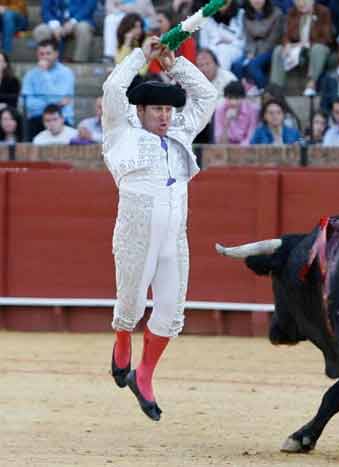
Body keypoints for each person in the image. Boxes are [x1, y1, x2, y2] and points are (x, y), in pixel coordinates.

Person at [103, 36, 218, 421]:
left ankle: (145, 374)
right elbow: (112, 87)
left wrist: (174, 64)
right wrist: (140, 56)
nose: (166, 116)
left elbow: (208, 97)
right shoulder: (122, 129)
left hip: (174, 235)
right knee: (131, 305)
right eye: (157, 110)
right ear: (141, 110)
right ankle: (122, 346)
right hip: (136, 232)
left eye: (169, 110)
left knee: (171, 313)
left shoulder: (181, 132)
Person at [269, 0, 333, 96]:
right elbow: (286, 35)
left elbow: (326, 37)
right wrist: (287, 44)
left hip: (317, 46)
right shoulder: (292, 12)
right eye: (297, 1)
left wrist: (306, 43)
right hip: (298, 48)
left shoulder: (323, 11)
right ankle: (275, 88)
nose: (300, 4)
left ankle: (311, 84)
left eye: (304, 1)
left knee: (318, 48)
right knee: (278, 50)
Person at [20, 39, 75, 139]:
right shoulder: (30, 75)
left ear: (56, 54)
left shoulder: (66, 73)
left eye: (48, 53)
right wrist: (51, 105)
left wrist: (44, 74)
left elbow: (57, 97)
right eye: (41, 54)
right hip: (36, 118)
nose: (44, 57)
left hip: (61, 119)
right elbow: (26, 103)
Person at [231, 0, 283, 92]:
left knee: (253, 65)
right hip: (251, 48)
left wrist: (256, 54)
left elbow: (273, 38)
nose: (256, 1)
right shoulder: (246, 14)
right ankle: (242, 93)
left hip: (269, 48)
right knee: (236, 65)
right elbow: (247, 37)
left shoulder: (276, 13)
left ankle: (267, 91)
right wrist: (250, 52)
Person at [197, 0, 246, 72]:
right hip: (213, 50)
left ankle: (221, 80)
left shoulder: (240, 14)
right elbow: (203, 44)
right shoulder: (207, 16)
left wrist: (231, 41)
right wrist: (216, 43)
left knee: (223, 50)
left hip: (235, 49)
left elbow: (244, 41)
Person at [213, 80, 258, 145]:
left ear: (243, 98)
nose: (233, 102)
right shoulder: (219, 109)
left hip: (245, 149)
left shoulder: (252, 109)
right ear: (225, 97)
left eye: (237, 98)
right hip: (225, 148)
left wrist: (239, 150)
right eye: (230, 98)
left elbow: (251, 136)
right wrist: (227, 123)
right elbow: (219, 141)